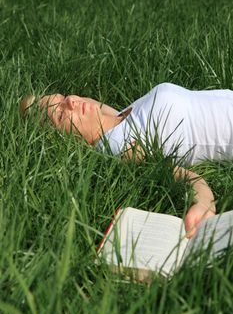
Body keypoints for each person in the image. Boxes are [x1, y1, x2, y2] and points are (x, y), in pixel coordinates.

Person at [21, 82, 233, 237]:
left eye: (62, 96)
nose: (69, 101)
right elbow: (184, 175)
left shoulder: (116, 118)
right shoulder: (118, 146)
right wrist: (205, 202)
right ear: (67, 142)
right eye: (59, 114)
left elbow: (95, 107)